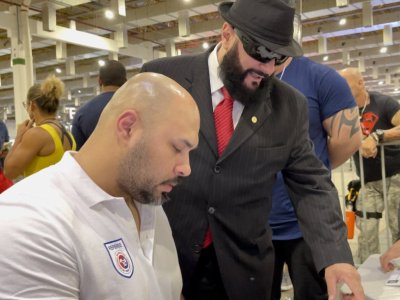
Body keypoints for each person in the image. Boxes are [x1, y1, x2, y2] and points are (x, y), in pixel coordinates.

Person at [141, 1, 364, 299]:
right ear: (227, 34)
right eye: (260, 52)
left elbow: (311, 185)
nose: (268, 68)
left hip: (242, 272)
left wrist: (336, 256)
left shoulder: (289, 106)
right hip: (165, 261)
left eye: (279, 57)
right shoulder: (162, 79)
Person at [0, 72, 200, 299]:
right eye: (177, 148)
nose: (186, 169)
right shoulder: (32, 224)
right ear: (128, 128)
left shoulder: (147, 200)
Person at [270, 57, 362, 300]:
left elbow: (348, 140)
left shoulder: (320, 77)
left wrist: (306, 173)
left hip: (308, 225)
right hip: (252, 225)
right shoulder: (243, 76)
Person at [339, 67, 400, 264]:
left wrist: (377, 136)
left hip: (395, 177)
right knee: (366, 232)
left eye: (345, 85)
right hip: (367, 182)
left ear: (361, 83)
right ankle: (366, 275)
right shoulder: (343, 111)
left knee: (397, 228)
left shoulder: (383, 102)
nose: (342, 90)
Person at [4, 75, 76, 179]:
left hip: (39, 194)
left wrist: (19, 137)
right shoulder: (67, 134)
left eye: (26, 105)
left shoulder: (36, 134)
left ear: (32, 105)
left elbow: (9, 172)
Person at [72, 60, 127, 149]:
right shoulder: (139, 108)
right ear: (125, 81)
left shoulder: (82, 113)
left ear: (99, 81)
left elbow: (76, 152)